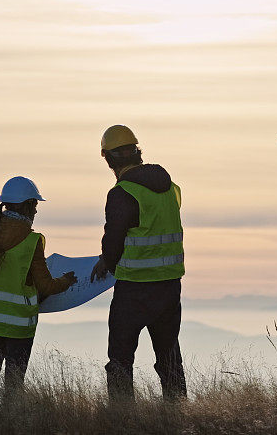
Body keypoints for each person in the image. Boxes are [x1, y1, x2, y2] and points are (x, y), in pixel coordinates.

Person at [90, 125, 187, 401]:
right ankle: (179, 413)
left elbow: (113, 242)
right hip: (169, 287)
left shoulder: (122, 193)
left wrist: (105, 262)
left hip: (135, 289)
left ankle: (121, 419)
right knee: (169, 359)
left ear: (107, 157)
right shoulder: (171, 189)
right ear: (137, 151)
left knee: (120, 360)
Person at [0, 176, 77, 407]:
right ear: (27, 204)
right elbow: (47, 286)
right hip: (18, 327)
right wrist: (66, 281)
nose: (37, 211)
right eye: (36, 205)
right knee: (13, 388)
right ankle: (9, 426)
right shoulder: (31, 241)